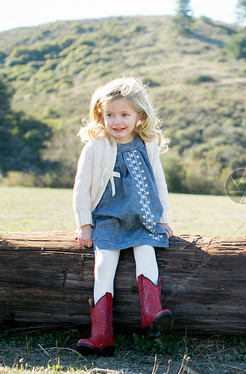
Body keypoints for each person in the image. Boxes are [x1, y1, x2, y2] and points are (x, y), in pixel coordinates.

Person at [72, 76, 174, 357]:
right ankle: (101, 336)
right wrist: (84, 224)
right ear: (100, 116)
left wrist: (163, 218)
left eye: (124, 115)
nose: (117, 121)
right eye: (110, 115)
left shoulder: (147, 144)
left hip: (143, 217)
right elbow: (82, 187)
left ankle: (152, 314)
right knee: (104, 266)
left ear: (139, 116)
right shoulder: (95, 147)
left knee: (146, 254)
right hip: (108, 219)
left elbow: (159, 183)